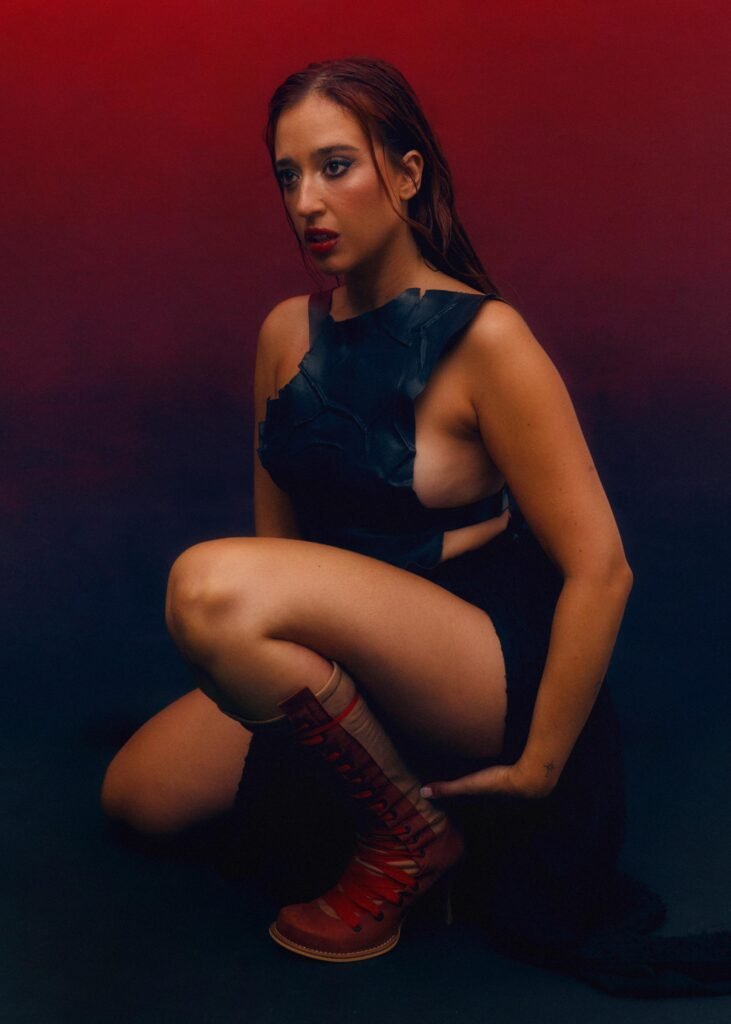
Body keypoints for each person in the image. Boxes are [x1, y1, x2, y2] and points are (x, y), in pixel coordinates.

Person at [101, 57, 731, 994]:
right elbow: (279, 558)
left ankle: (413, 835)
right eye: (287, 175)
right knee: (136, 796)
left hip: (475, 657)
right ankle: (380, 799)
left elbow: (601, 569)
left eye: (335, 166)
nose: (306, 203)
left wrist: (540, 768)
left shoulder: (487, 340)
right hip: (348, 649)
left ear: (405, 174)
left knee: (205, 584)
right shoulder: (284, 334)